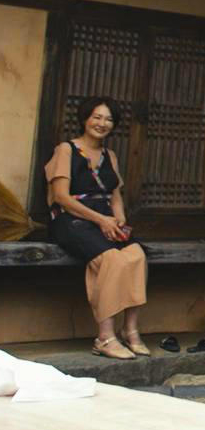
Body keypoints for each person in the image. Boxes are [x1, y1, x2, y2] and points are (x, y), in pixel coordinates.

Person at [43, 97, 149, 359]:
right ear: (85, 119)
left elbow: (114, 196)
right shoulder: (66, 150)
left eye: (109, 119)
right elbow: (61, 197)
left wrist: (119, 220)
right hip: (71, 221)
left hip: (106, 220)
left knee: (136, 256)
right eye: (97, 117)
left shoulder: (109, 156)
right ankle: (105, 337)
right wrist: (101, 221)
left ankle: (131, 331)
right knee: (111, 259)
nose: (102, 123)